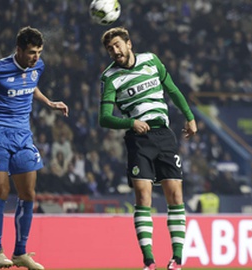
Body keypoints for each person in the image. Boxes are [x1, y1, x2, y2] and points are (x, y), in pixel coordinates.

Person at [0, 26, 68, 269]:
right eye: (31, 52)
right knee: (1, 191)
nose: (36, 57)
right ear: (18, 50)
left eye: (39, 52)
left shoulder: (38, 66)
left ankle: (20, 253)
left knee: (28, 194)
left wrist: (48, 102)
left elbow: (31, 84)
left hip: (23, 137)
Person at [98, 27, 197, 270]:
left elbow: (172, 90)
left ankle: (177, 259)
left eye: (118, 45)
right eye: (110, 49)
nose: (115, 51)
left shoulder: (151, 61)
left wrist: (190, 117)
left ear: (129, 44)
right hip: (138, 139)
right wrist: (130, 122)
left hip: (164, 135)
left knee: (175, 196)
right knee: (143, 196)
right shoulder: (110, 77)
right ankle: (149, 261)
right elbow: (104, 118)